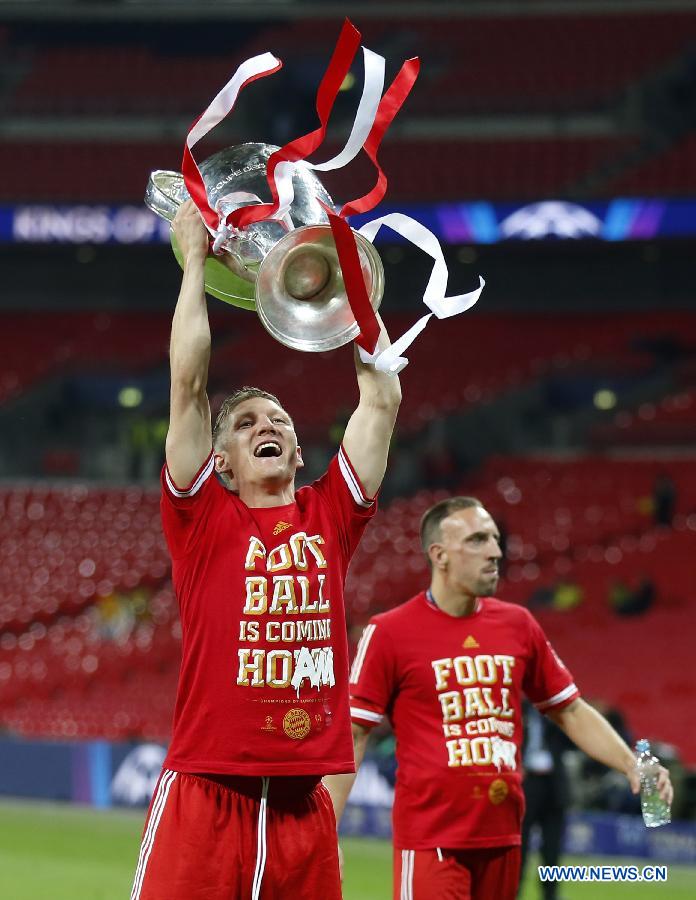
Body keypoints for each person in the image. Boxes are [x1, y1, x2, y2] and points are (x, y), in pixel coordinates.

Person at [130, 200, 402, 900]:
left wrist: (354, 304)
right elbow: (187, 386)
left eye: (277, 418)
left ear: (298, 447)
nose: (265, 424)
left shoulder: (330, 514)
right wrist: (195, 259)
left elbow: (381, 402)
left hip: (301, 809)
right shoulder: (201, 519)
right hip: (205, 794)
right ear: (220, 461)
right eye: (246, 423)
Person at [324, 496, 673, 900]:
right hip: (432, 842)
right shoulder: (389, 633)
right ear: (439, 555)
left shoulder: (518, 625)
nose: (495, 552)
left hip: (505, 838)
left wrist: (632, 764)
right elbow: (354, 735)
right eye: (476, 541)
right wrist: (324, 833)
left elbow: (570, 709)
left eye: (494, 539)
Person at [519, 701, 572, 900]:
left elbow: (571, 741)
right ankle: (513, 892)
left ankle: (551, 895)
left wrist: (554, 715)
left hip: (554, 785)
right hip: (526, 781)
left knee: (552, 849)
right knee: (519, 846)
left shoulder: (558, 711)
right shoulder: (520, 709)